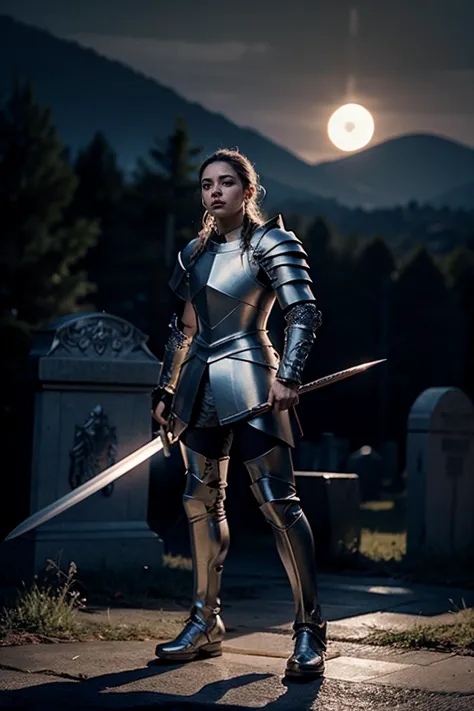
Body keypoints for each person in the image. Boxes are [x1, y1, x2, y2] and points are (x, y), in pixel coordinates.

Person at [151, 148, 326, 679]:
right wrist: (166, 388)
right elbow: (185, 328)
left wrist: (289, 375)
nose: (215, 192)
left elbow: (303, 311)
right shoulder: (194, 252)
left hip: (254, 379)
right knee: (199, 500)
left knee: (278, 503)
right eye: (207, 184)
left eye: (227, 182)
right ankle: (205, 622)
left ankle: (309, 631)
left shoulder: (272, 241)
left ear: (249, 191)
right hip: (199, 386)